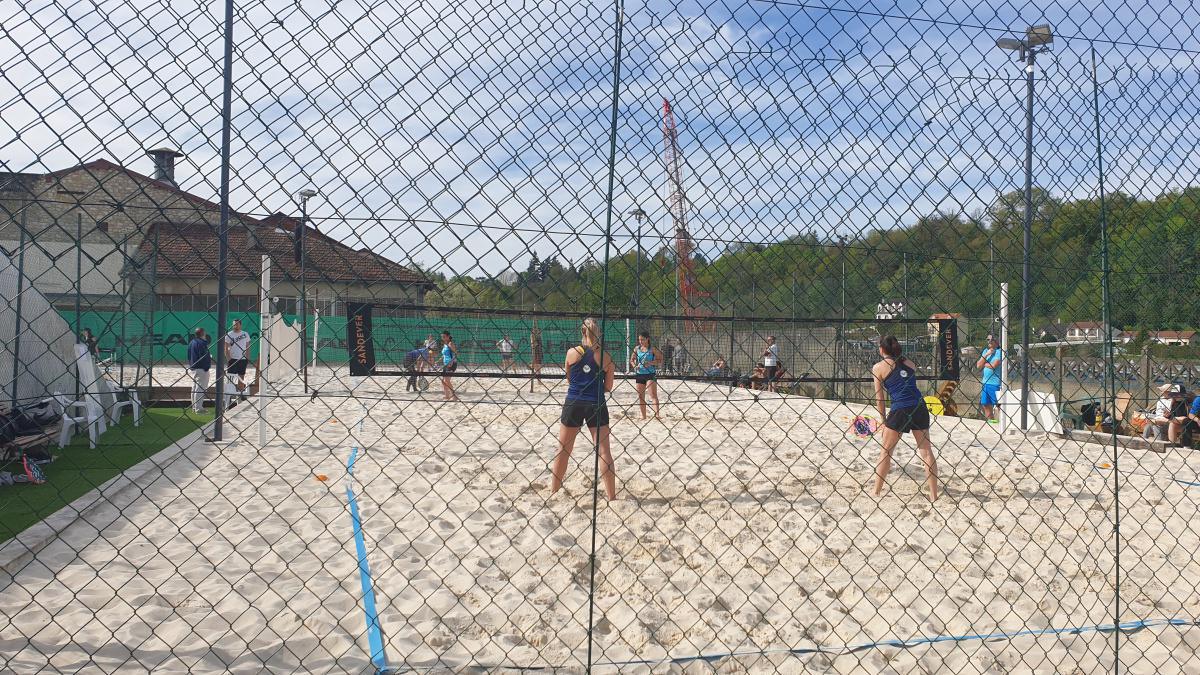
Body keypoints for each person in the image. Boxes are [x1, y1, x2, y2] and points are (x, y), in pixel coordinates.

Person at [550, 318, 617, 500]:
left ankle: (554, 491)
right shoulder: (606, 357)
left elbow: (569, 379)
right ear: (599, 333)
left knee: (563, 449)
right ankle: (612, 497)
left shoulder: (572, 353)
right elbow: (608, 387)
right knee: (604, 451)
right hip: (596, 402)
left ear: (582, 332)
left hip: (574, 401)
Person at [872, 335, 939, 501]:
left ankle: (876, 492)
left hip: (900, 409)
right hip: (919, 407)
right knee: (926, 451)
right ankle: (933, 495)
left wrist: (883, 421)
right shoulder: (910, 364)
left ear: (881, 349)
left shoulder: (878, 368)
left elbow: (879, 399)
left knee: (886, 452)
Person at [629, 331, 661, 420]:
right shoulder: (637, 348)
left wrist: (650, 363)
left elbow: (660, 359)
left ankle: (657, 415)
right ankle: (643, 416)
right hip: (640, 374)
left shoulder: (652, 349)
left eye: (642, 339)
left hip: (650, 374)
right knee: (641, 396)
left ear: (648, 339)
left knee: (653, 395)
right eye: (639, 340)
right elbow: (631, 360)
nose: (640, 341)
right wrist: (635, 366)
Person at [976, 335, 1003, 422]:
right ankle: (991, 421)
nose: (989, 341)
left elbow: (993, 365)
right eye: (988, 339)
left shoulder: (1000, 352)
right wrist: (987, 354)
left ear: (997, 341)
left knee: (998, 404)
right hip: (985, 382)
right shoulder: (985, 351)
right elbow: (978, 365)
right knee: (985, 403)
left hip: (995, 383)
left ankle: (1003, 421)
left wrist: (984, 363)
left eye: (992, 339)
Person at [187, 328, 211, 414]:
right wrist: (206, 367)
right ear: (203, 333)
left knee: (195, 388)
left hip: (194, 367)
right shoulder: (202, 343)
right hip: (201, 368)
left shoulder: (192, 342)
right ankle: (198, 408)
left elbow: (189, 355)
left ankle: (195, 407)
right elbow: (203, 357)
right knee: (200, 388)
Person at [224, 319, 251, 395]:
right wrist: (228, 359)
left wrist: (247, 357)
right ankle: (229, 395)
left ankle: (240, 394)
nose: (235, 326)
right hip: (232, 359)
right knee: (230, 378)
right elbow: (226, 348)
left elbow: (248, 346)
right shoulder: (229, 334)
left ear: (240, 325)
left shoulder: (245, 334)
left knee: (241, 377)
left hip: (242, 359)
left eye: (237, 324)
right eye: (234, 324)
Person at [439, 330, 460, 401]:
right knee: (443, 381)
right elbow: (444, 354)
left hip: (451, 364)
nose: (443, 338)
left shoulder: (450, 344)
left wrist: (451, 361)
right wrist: (438, 360)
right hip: (445, 364)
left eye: (444, 337)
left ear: (448, 337)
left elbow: (456, 353)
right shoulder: (445, 344)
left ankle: (454, 396)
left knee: (447, 380)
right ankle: (447, 396)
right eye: (442, 337)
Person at [529, 328, 544, 392]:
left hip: (539, 352)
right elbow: (533, 344)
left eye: (537, 330)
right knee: (536, 367)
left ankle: (539, 380)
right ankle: (538, 380)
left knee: (538, 367)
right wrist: (535, 343)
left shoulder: (539, 336)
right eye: (535, 330)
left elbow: (538, 345)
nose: (537, 331)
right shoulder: (532, 336)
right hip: (535, 352)